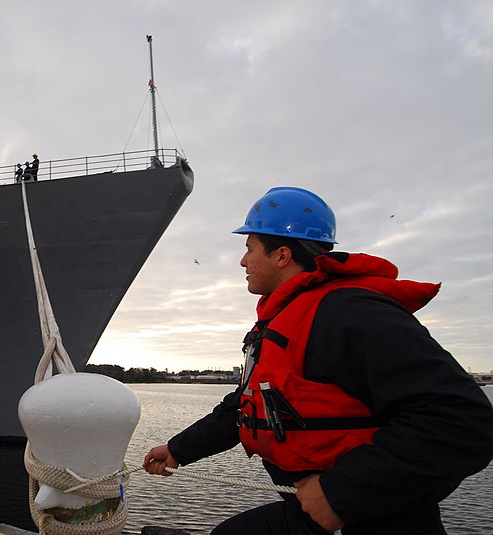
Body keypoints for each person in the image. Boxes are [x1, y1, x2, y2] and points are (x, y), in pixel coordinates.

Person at [143, 186, 493, 535]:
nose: (243, 261)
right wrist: (177, 450)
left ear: (282, 255)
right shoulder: (285, 320)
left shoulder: (348, 313)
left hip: (372, 516)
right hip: (321, 509)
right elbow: (247, 407)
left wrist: (342, 494)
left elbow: (463, 421)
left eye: (249, 249)